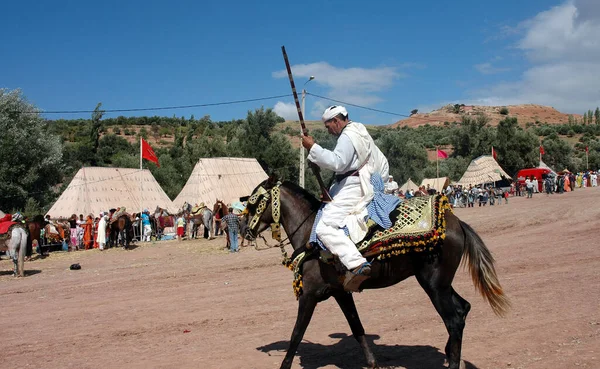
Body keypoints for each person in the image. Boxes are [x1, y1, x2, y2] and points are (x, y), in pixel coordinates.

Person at [301, 105, 389, 285]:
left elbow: (338, 162)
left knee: (324, 228)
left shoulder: (347, 136)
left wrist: (313, 147)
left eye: (328, 126)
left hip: (354, 186)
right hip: (349, 183)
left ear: (336, 121)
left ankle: (356, 263)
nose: (328, 130)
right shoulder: (358, 130)